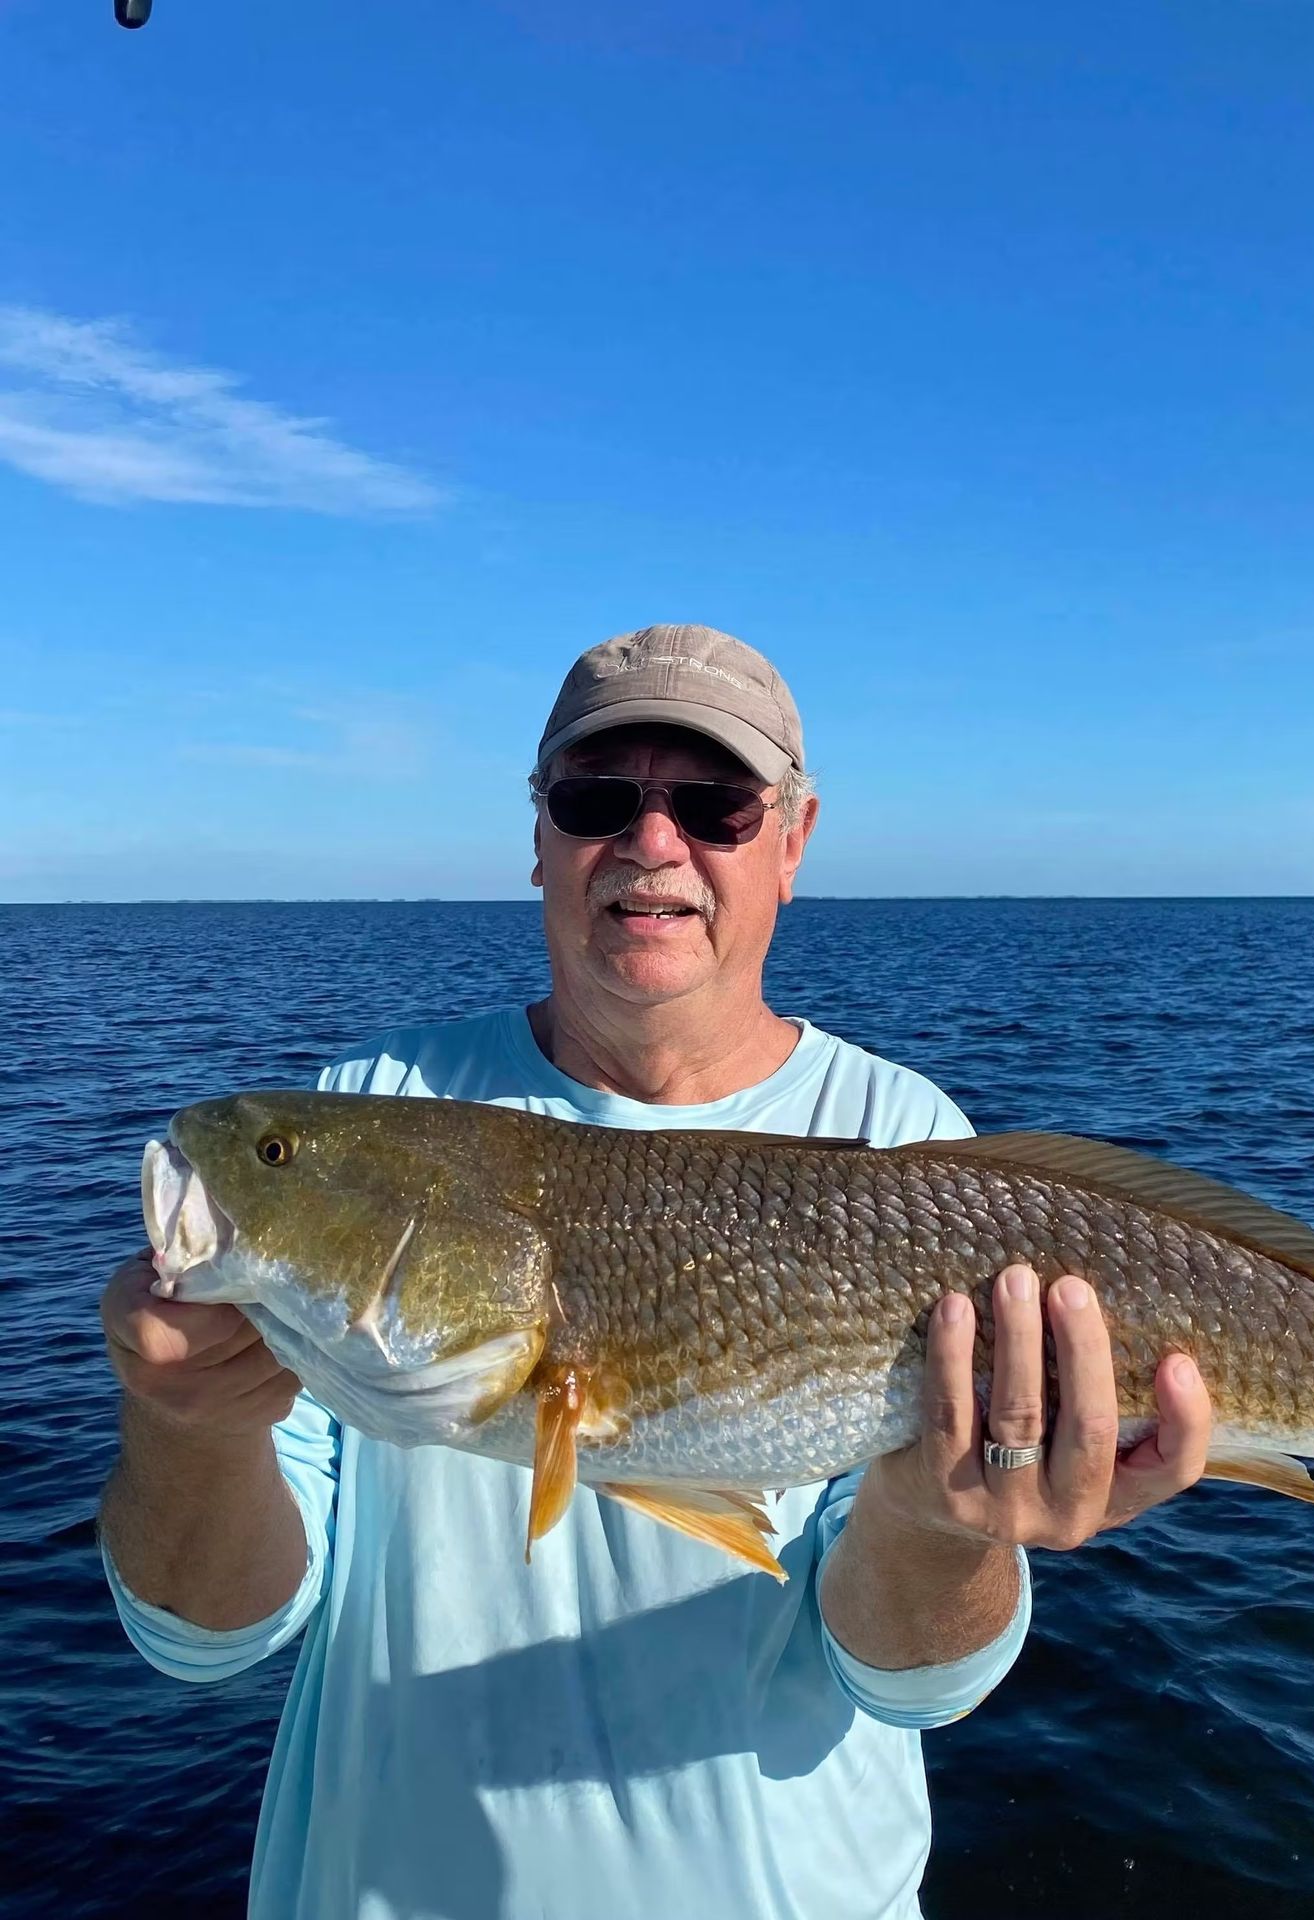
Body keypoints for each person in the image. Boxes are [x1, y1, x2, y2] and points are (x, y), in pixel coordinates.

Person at [98, 624, 1214, 1920]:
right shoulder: (380, 1103)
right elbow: (202, 1637)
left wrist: (930, 1515)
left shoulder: (912, 1143)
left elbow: (912, 1686)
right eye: (596, 798)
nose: (653, 842)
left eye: (714, 803)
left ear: (791, 843)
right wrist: (186, 1425)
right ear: (537, 835)